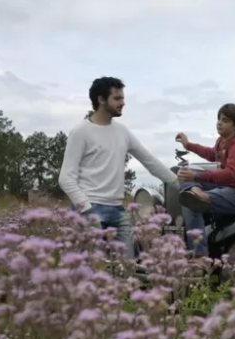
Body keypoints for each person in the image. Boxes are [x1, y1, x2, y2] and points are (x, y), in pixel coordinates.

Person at [58, 76, 179, 259]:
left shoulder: (122, 132)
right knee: (91, 267)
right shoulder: (80, 132)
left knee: (127, 266)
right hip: (90, 208)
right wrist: (87, 209)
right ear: (101, 100)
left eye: (122, 98)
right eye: (117, 98)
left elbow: (150, 161)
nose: (123, 103)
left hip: (117, 210)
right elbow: (66, 178)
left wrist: (180, 185)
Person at [175, 103, 235, 257]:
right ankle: (195, 194)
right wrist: (188, 145)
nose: (219, 122)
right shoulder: (222, 141)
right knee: (188, 182)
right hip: (229, 189)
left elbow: (230, 174)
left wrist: (196, 177)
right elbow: (211, 154)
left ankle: (199, 255)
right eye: (219, 119)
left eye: (225, 120)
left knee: (194, 177)